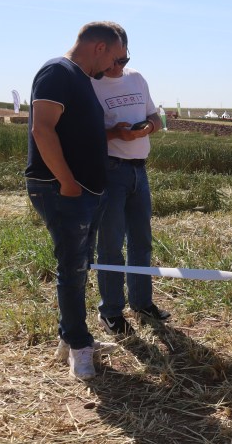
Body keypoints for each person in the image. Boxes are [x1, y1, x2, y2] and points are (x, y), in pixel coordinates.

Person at [26, 21, 128, 380]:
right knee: (72, 268)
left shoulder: (81, 80)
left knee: (79, 266)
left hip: (84, 190)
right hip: (64, 190)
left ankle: (71, 337)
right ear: (99, 47)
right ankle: (80, 347)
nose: (115, 68)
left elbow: (75, 131)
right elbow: (43, 129)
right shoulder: (58, 71)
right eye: (115, 58)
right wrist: (67, 182)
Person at [92, 34, 170, 336]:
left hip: (140, 171)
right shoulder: (90, 85)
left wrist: (148, 127)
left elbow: (155, 117)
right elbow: (83, 134)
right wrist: (115, 134)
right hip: (110, 172)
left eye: (125, 59)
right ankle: (111, 312)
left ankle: (141, 303)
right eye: (116, 60)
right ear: (104, 52)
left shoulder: (136, 79)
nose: (119, 66)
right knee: (111, 246)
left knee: (142, 241)